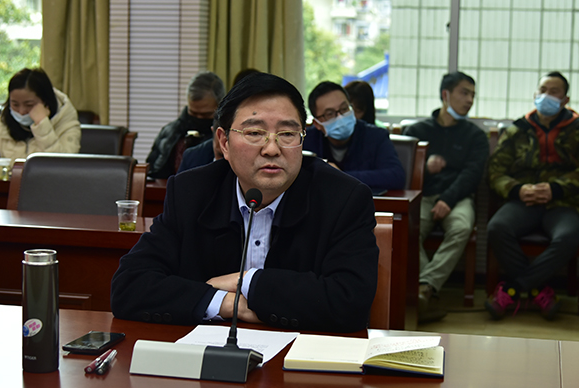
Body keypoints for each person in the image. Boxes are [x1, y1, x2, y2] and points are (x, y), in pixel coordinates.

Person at [111, 72, 379, 333]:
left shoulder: (343, 199)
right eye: (254, 133)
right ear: (224, 143)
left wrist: (247, 280)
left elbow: (351, 302)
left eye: (287, 133)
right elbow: (129, 286)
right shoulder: (190, 192)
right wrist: (230, 304)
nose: (272, 148)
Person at [486, 71, 579, 321]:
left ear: (565, 99)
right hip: (523, 201)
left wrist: (556, 188)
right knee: (497, 228)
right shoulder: (518, 129)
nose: (546, 96)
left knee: (570, 236)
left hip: (563, 202)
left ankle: (513, 289)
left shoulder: (576, 128)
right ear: (535, 94)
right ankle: (539, 291)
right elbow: (495, 172)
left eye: (554, 92)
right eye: (542, 90)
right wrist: (518, 189)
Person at [405, 71, 488, 322]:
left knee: (461, 228)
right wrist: (424, 167)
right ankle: (425, 291)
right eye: (464, 93)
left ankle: (424, 289)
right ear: (445, 94)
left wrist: (448, 200)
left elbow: (471, 175)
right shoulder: (416, 130)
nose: (470, 100)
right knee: (407, 228)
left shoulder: (476, 136)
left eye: (473, 95)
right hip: (423, 196)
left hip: (458, 198)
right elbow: (403, 173)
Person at [304, 81, 405, 193]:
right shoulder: (306, 140)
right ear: (317, 124)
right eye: (330, 114)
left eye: (344, 109)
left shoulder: (376, 136)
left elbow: (396, 176)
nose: (340, 117)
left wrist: (340, 175)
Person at [0, 67, 81, 168]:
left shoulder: (66, 123)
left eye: (29, 105)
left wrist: (42, 125)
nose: (21, 111)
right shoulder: (5, 121)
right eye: (15, 104)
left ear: (46, 102)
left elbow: (63, 168)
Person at [146, 71, 225, 179]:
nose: (198, 118)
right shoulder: (170, 132)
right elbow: (151, 170)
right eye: (193, 113)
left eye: (206, 114)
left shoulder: (223, 138)